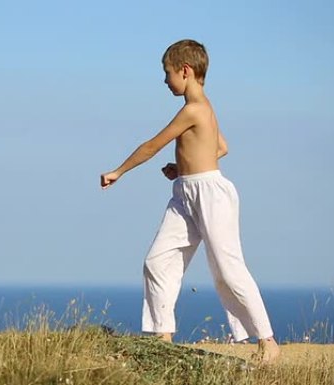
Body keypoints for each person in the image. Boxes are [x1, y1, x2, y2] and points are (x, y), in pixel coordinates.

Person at [100, 39, 280, 364]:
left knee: (228, 268)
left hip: (210, 194)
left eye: (167, 73)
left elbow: (153, 145)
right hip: (185, 192)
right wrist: (182, 168)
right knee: (157, 261)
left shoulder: (193, 110)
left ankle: (268, 342)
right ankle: (163, 338)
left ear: (185, 71)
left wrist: (119, 171)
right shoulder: (203, 109)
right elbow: (221, 146)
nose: (165, 80)